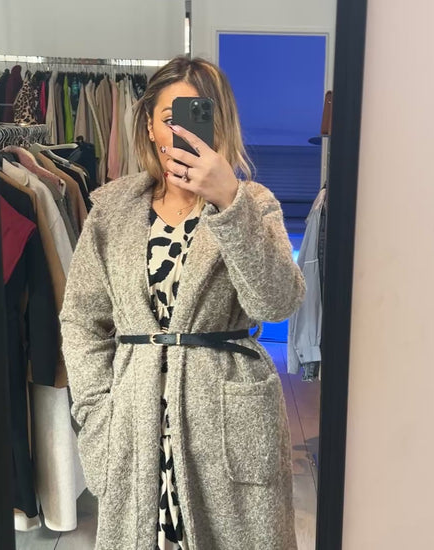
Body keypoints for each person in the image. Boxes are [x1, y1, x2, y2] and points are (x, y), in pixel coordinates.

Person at [60, 56, 306, 550]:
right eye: (169, 118)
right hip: (133, 419)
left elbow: (277, 302)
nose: (181, 131)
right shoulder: (111, 208)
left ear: (220, 123)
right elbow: (82, 317)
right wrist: (96, 412)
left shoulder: (253, 203)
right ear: (149, 126)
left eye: (196, 116)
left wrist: (229, 203)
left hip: (227, 422)